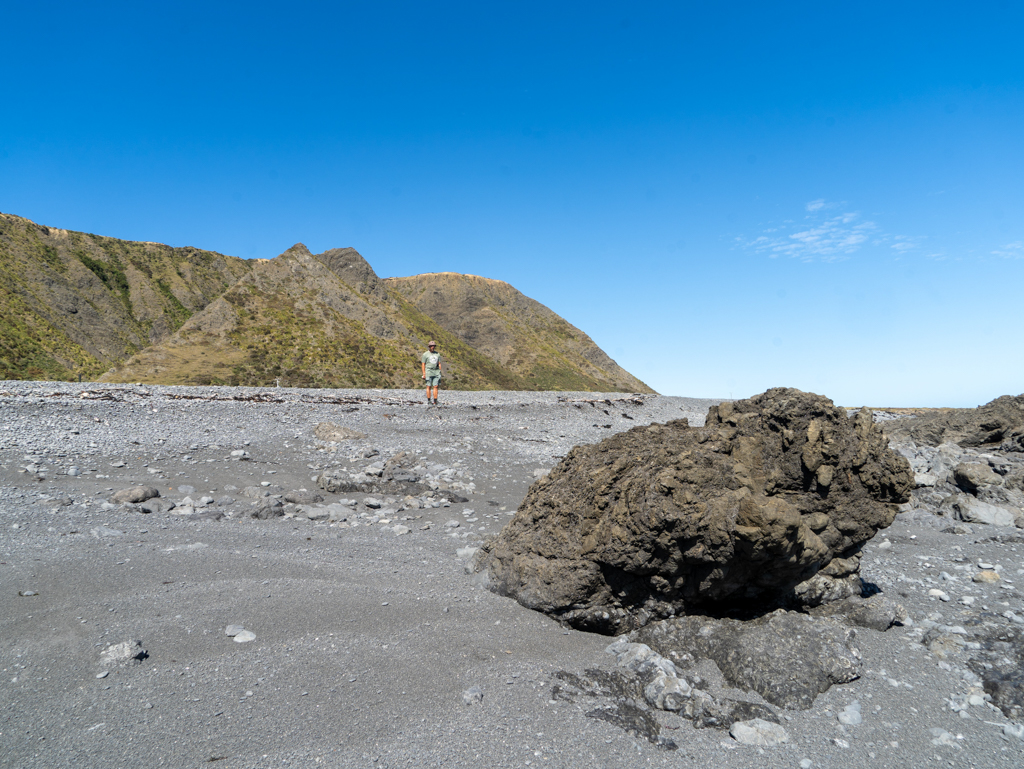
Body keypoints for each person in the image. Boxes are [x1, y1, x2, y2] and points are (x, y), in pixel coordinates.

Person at [420, 340, 442, 405]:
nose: (433, 347)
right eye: (431, 346)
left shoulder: (437, 354)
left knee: (436, 386)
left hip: (436, 372)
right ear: (429, 346)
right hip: (428, 371)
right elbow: (423, 364)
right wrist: (424, 373)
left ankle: (435, 401)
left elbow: (439, 363)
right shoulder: (425, 354)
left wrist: (440, 371)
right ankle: (429, 401)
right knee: (428, 386)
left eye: (434, 346)